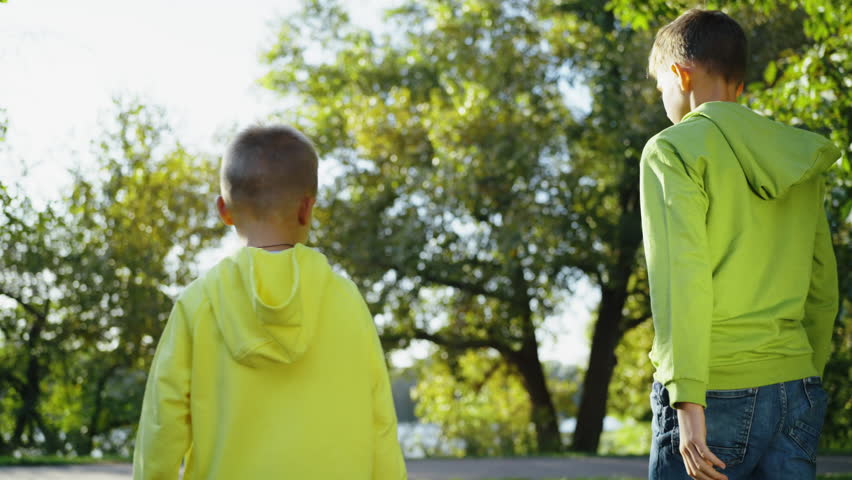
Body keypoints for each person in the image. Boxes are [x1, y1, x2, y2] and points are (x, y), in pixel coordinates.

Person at [133, 126, 407, 479]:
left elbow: (162, 425)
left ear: (224, 210)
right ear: (307, 208)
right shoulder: (346, 300)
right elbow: (380, 421)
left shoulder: (197, 304)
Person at [640, 9, 840, 480]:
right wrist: (803, 374)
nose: (663, 100)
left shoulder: (672, 150)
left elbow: (681, 279)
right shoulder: (797, 158)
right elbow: (822, 284)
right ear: (740, 86)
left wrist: (687, 402)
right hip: (795, 387)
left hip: (712, 392)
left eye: (660, 89)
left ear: (679, 74)